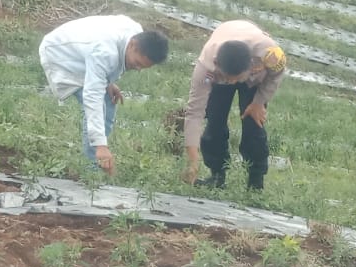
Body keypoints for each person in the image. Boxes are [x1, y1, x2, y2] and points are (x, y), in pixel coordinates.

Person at [38, 16, 169, 175]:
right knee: (98, 103)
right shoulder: (105, 52)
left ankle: (98, 162)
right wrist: (101, 146)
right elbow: (92, 96)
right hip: (60, 53)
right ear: (133, 45)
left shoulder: (135, 33)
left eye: (143, 67)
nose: (139, 69)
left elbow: (102, 65)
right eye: (138, 63)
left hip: (85, 50)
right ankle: (91, 170)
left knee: (109, 100)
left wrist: (108, 82)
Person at [182, 20, 287, 191]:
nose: (232, 82)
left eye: (237, 78)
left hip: (253, 80)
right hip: (218, 76)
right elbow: (194, 113)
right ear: (217, 64)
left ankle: (255, 181)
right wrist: (193, 161)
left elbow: (276, 75)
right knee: (215, 120)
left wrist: (259, 102)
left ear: (252, 65)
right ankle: (217, 175)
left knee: (253, 124)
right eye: (229, 78)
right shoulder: (206, 66)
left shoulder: (269, 54)